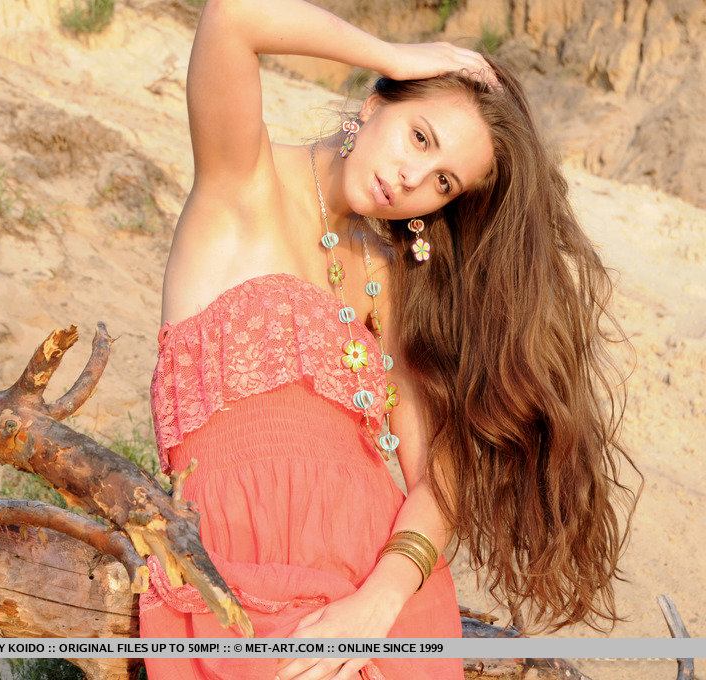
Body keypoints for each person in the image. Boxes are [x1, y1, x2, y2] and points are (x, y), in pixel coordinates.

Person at [139, 0, 638, 678]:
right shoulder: (240, 180)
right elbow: (233, 16)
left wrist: (382, 598)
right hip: (234, 572)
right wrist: (395, 54)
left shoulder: (390, 281)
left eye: (443, 182)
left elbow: (441, 472)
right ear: (375, 103)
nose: (412, 178)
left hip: (377, 600)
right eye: (420, 137)